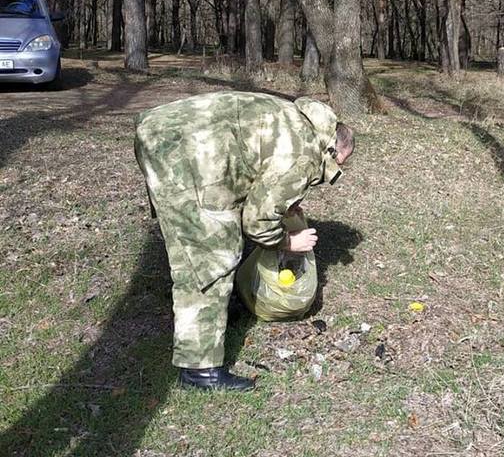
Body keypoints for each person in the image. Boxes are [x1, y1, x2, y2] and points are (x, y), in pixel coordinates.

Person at [133, 92, 355, 391]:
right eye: (337, 164)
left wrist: (285, 205)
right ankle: (199, 371)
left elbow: (255, 167)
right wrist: (287, 242)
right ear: (332, 149)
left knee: (198, 245)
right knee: (212, 257)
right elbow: (257, 222)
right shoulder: (306, 153)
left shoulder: (298, 121)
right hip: (181, 151)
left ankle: (212, 316)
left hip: (164, 130)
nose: (330, 173)